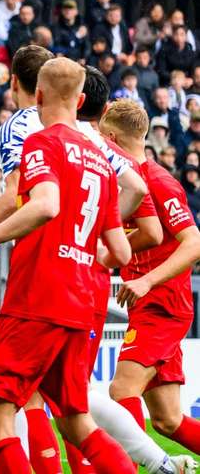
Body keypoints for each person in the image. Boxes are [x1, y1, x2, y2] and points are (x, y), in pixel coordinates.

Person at [0, 55, 191, 473]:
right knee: (76, 418)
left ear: (37, 96)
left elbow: (44, 204)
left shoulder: (41, 139)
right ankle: (155, 465)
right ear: (82, 100)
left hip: (40, 291)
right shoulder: (99, 155)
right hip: (83, 296)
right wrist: (84, 251)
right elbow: (122, 250)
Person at [101, 99, 200, 460]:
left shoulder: (158, 182)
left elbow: (194, 243)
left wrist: (147, 281)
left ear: (111, 137)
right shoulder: (129, 181)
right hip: (149, 303)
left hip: (163, 304)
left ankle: (137, 468)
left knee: (121, 389)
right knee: (168, 419)